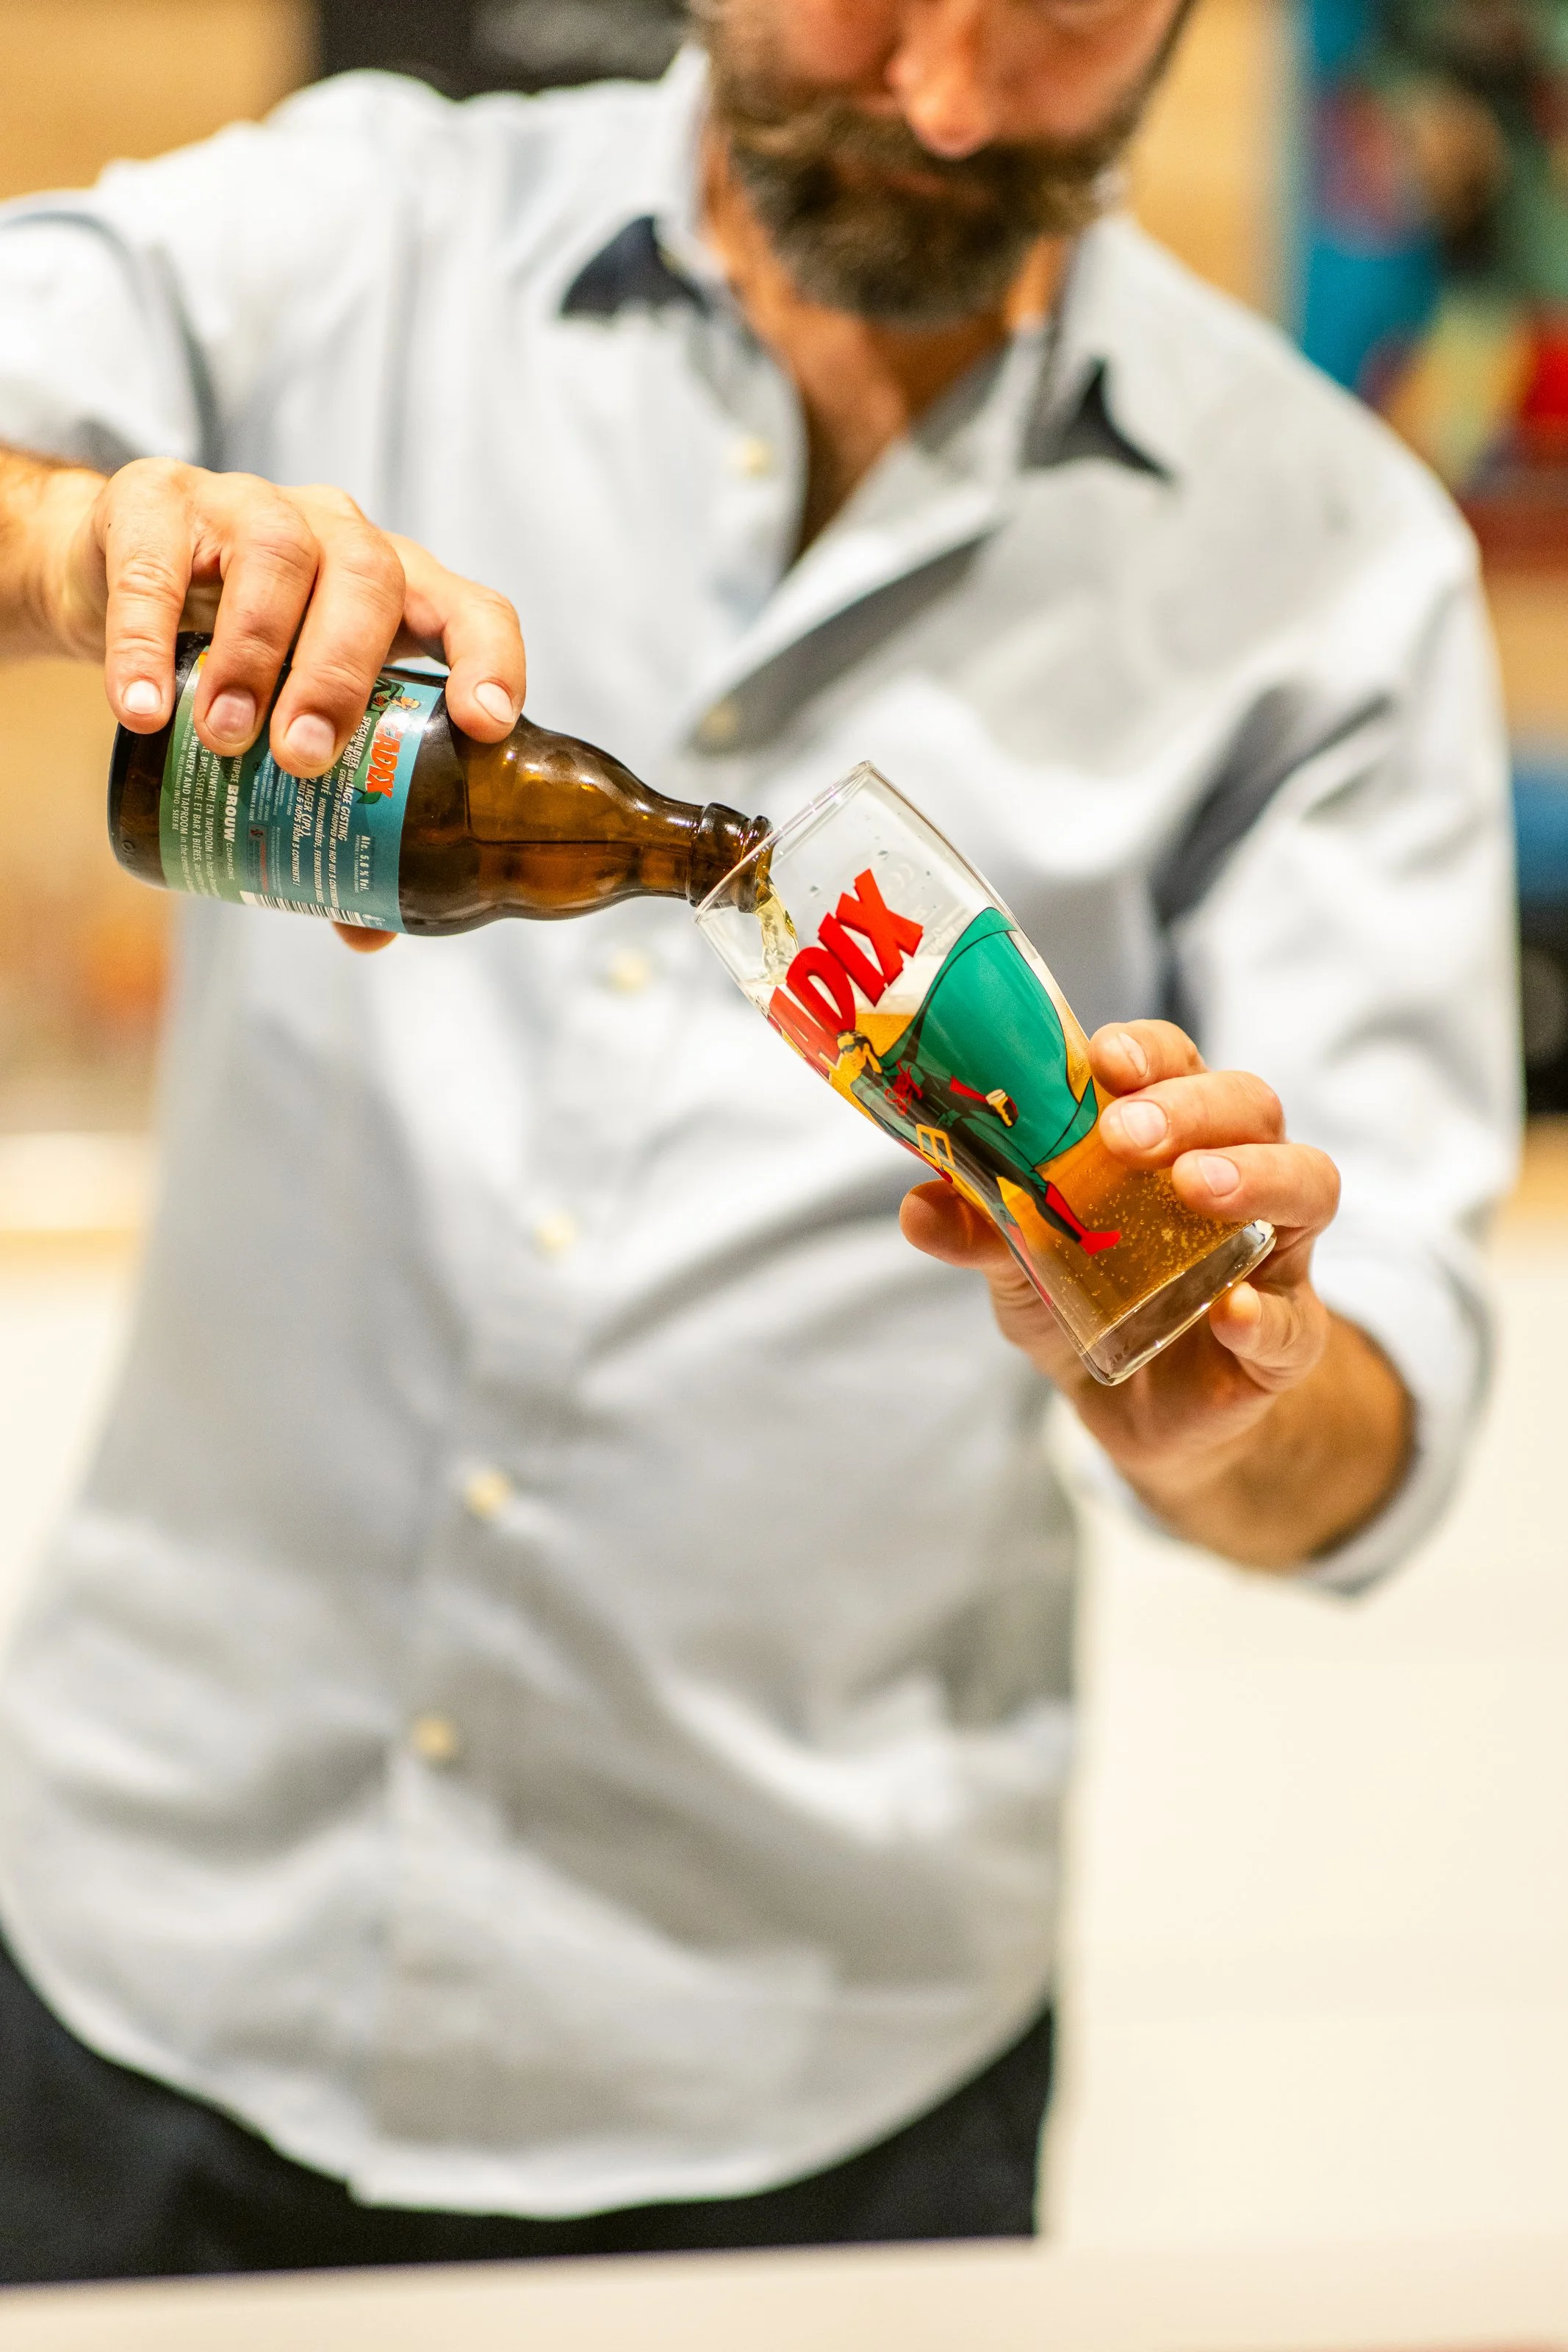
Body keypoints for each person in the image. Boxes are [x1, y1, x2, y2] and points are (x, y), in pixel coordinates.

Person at [0, 0, 1517, 2283]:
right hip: (140, 1975)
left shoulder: (1325, 563)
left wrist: (1234, 1408)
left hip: (811, 2088)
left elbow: (1376, 1411)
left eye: (1061, 18)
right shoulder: (362, 232)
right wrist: (66, 542)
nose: (937, 96)